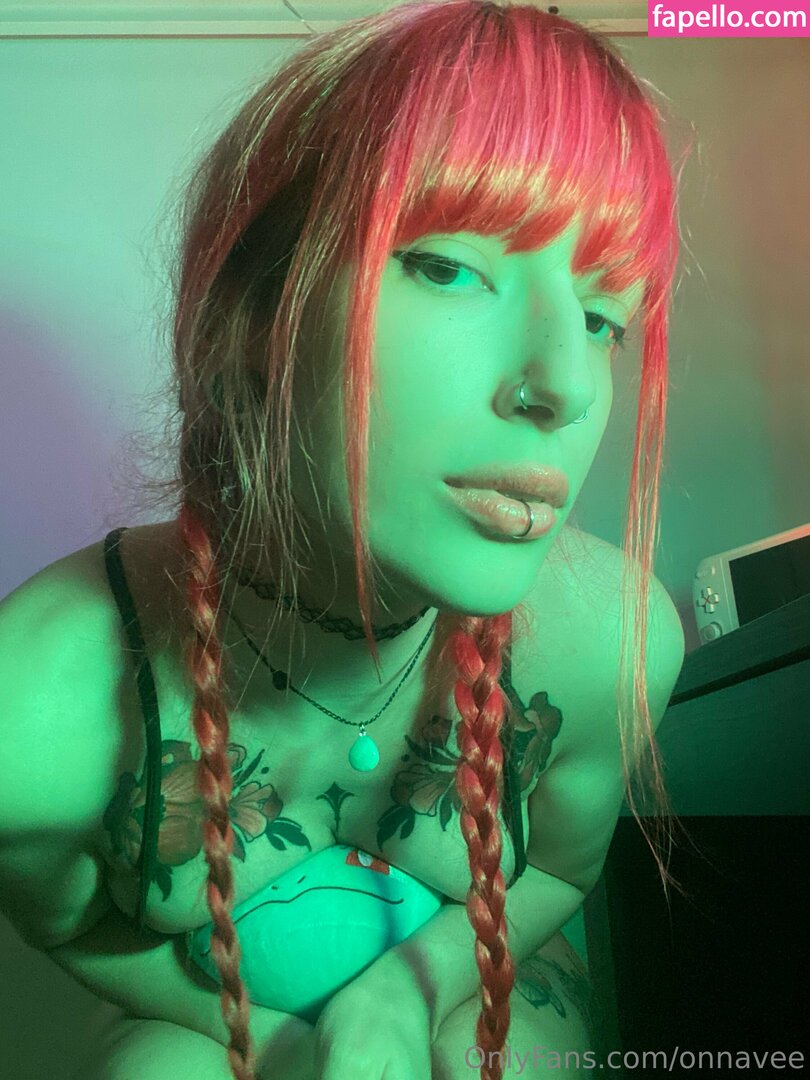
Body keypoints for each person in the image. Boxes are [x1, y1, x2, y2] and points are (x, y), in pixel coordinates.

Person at [0, 2, 691, 1078]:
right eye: (448, 266)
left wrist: (399, 996)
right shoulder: (38, 709)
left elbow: (560, 866)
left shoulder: (611, 641)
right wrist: (274, 1047)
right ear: (254, 313)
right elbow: (70, 923)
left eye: (604, 317)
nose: (564, 383)